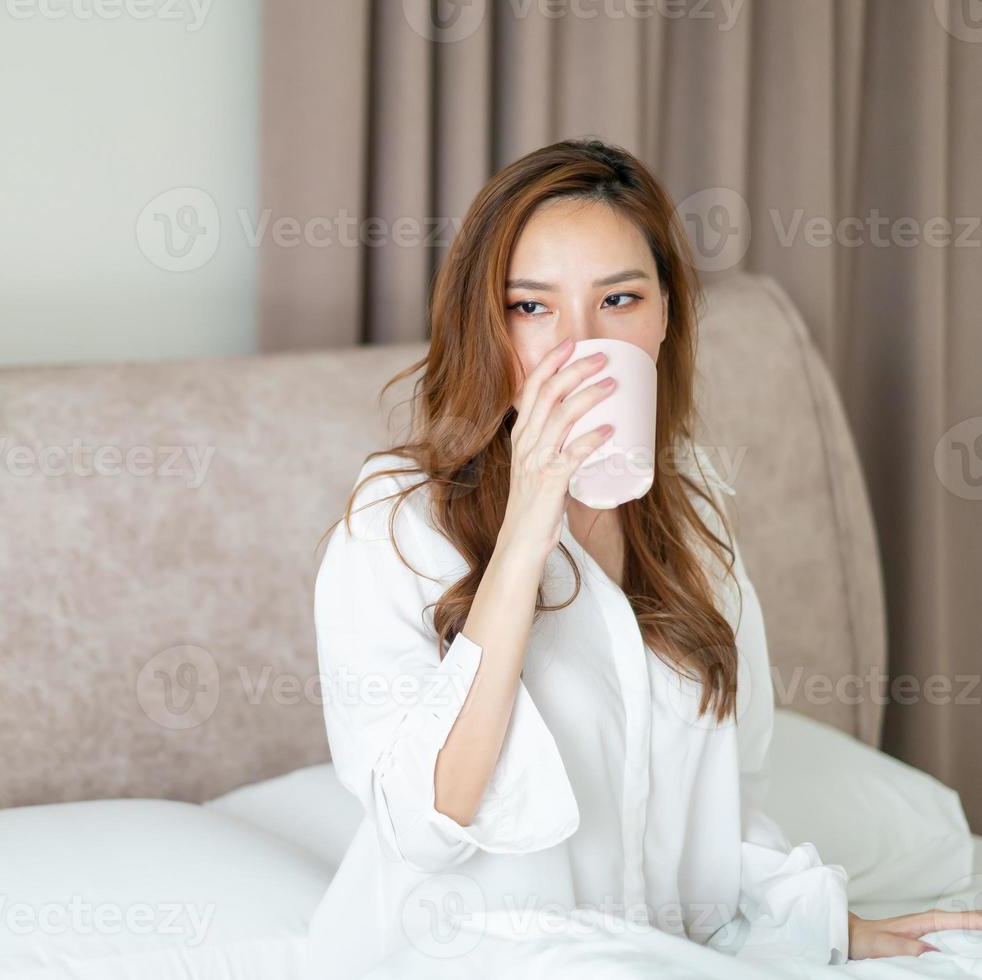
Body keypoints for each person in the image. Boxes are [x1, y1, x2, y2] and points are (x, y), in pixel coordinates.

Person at [307, 138, 982, 979]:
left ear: (664, 316)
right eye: (531, 307)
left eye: (617, 299)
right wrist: (526, 528)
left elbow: (724, 807)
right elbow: (430, 817)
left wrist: (832, 925)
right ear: (486, 323)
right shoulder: (399, 523)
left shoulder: (693, 528)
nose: (576, 345)